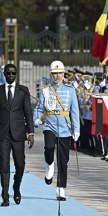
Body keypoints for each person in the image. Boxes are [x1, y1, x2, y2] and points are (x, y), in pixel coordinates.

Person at [0, 63, 34, 207]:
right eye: (8, 73)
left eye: (13, 73)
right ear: (4, 74)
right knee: (4, 166)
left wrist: (31, 133)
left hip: (19, 134)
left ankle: (16, 187)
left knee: (20, 165)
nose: (11, 76)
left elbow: (28, 113)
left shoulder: (23, 91)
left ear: (16, 74)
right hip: (3, 134)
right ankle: (5, 196)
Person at [33, 60, 80, 201]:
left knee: (63, 160)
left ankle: (61, 188)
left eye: (60, 73)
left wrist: (76, 129)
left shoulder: (70, 90)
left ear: (63, 74)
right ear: (51, 75)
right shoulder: (45, 91)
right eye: (55, 73)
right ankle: (49, 164)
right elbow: (39, 108)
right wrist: (36, 119)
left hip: (65, 128)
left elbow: (74, 111)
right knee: (49, 147)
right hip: (50, 125)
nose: (58, 76)